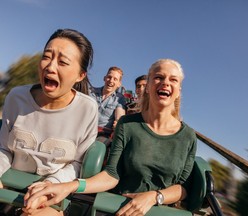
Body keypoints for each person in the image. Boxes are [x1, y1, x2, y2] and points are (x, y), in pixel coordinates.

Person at [24, 59, 197, 216]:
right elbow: (112, 175)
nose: (166, 82)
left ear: (178, 90)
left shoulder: (188, 136)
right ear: (149, 85)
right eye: (159, 77)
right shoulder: (127, 124)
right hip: (120, 207)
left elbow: (183, 187)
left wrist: (153, 197)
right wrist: (69, 186)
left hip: (159, 209)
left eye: (173, 79)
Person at [0, 28, 98, 216]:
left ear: (80, 76)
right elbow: (4, 148)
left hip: (51, 197)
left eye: (63, 62)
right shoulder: (16, 97)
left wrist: (50, 184)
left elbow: (78, 164)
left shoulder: (87, 109)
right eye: (46, 57)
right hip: (8, 184)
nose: (50, 67)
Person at [90, 67, 126, 145]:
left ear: (119, 84)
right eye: (109, 77)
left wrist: (118, 122)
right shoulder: (91, 92)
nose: (111, 81)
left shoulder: (119, 98)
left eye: (115, 79)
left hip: (102, 134)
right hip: (85, 129)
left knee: (97, 148)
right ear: (104, 78)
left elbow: (119, 116)